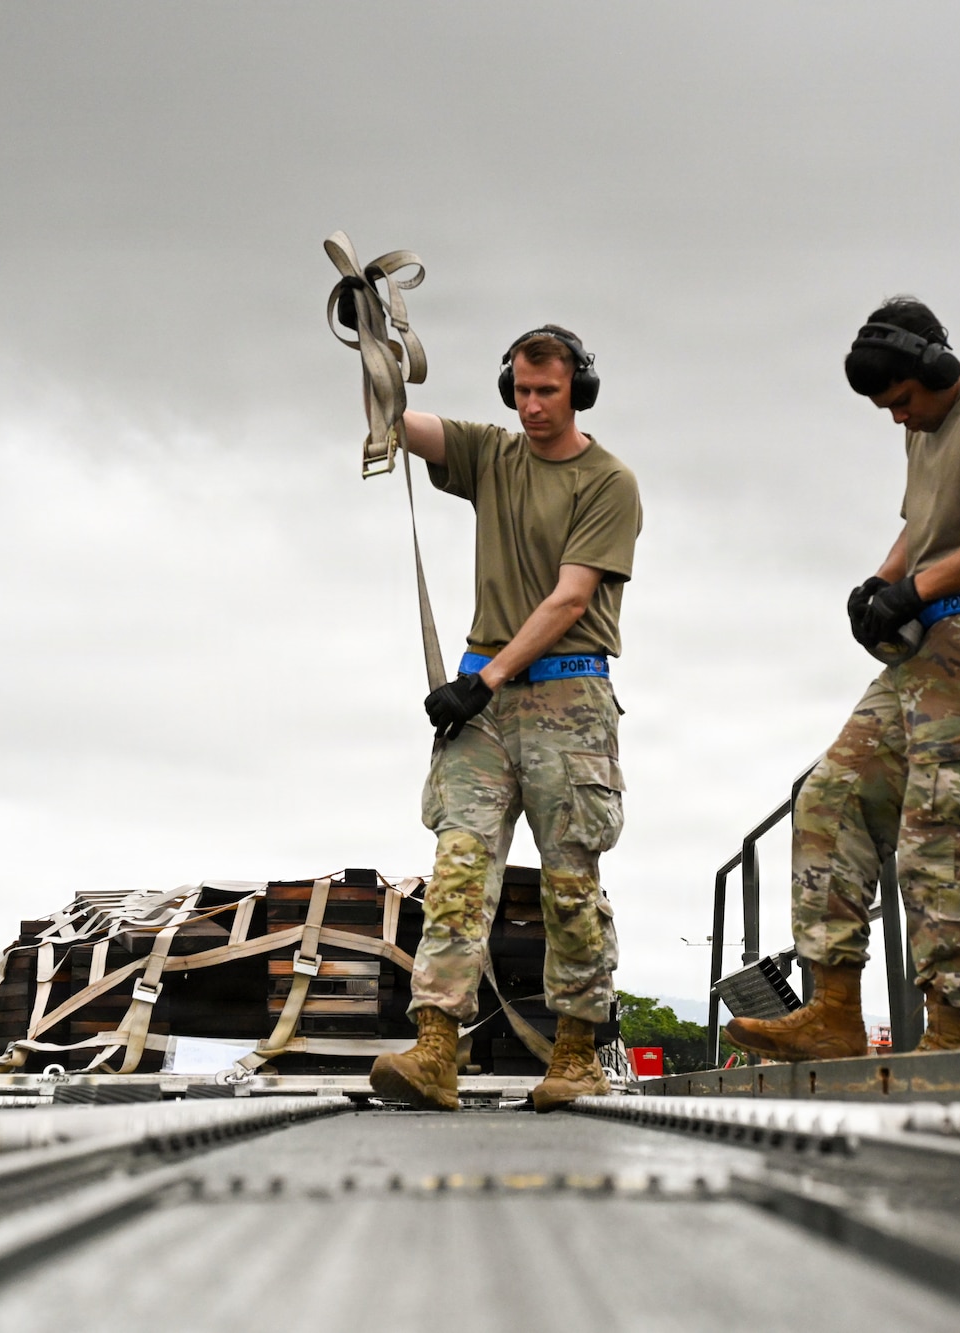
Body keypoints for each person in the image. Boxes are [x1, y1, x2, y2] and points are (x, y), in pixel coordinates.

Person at [727, 298, 960, 1061]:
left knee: (940, 834)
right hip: (925, 649)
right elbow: (922, 523)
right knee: (831, 796)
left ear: (935, 366)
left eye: (904, 400)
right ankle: (833, 1012)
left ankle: (949, 1036)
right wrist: (881, 582)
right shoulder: (930, 430)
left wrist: (922, 587)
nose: (899, 419)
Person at [368, 325, 643, 1112]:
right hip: (486, 706)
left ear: (578, 391)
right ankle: (434, 1050)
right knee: (457, 870)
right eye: (520, 390)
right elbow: (401, 420)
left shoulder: (608, 482)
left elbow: (570, 597)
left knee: (569, 885)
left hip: (565, 700)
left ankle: (575, 1052)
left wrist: (484, 680)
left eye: (547, 391)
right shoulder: (494, 454)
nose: (531, 406)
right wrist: (371, 351)